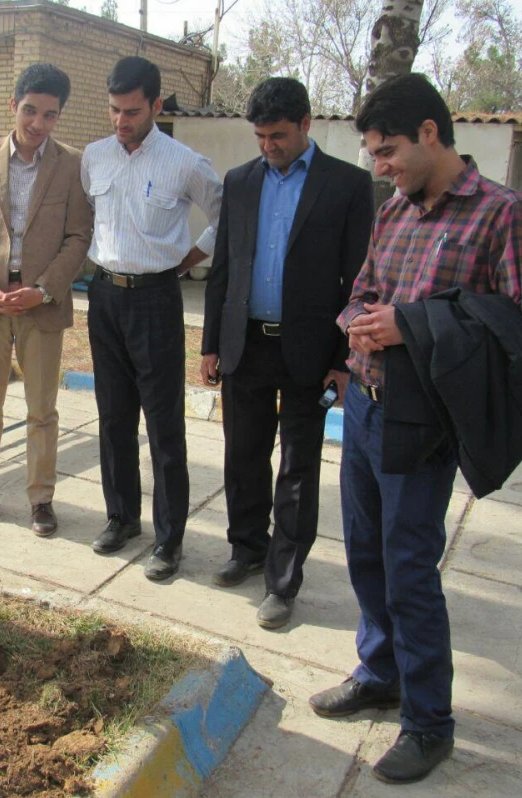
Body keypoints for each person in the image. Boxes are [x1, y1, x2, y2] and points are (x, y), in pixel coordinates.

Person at [309, 73, 522, 784]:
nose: (379, 166)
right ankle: (378, 671)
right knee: (364, 554)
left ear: (430, 134)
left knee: (409, 569)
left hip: (426, 419)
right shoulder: (394, 212)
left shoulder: (504, 213)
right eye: (373, 154)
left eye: (386, 152)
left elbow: (520, 324)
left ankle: (428, 723)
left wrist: (408, 326)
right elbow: (361, 294)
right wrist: (358, 323)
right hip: (365, 405)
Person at [200, 77, 373, 630]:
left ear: (306, 125)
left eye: (277, 135)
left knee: (298, 467)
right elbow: (223, 269)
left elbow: (359, 281)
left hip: (311, 351)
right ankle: (247, 548)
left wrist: (343, 361)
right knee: (243, 455)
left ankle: (283, 580)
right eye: (259, 136)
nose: (268, 145)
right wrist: (210, 344)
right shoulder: (241, 182)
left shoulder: (347, 185)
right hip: (245, 346)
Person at [81, 56, 222, 581]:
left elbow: (223, 214)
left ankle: (169, 540)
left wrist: (188, 259)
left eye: (133, 111)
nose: (122, 121)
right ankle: (121, 518)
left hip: (157, 301)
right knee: (113, 416)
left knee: (163, 426)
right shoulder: (94, 157)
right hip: (104, 298)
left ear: (156, 106)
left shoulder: (185, 162)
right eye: (115, 109)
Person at [0, 63, 92, 534]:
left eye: (49, 115)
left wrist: (44, 289)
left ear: (58, 117)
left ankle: (40, 499)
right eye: (30, 110)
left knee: (41, 410)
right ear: (13, 105)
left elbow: (77, 237)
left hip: (42, 308)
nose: (37, 123)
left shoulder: (71, 164)